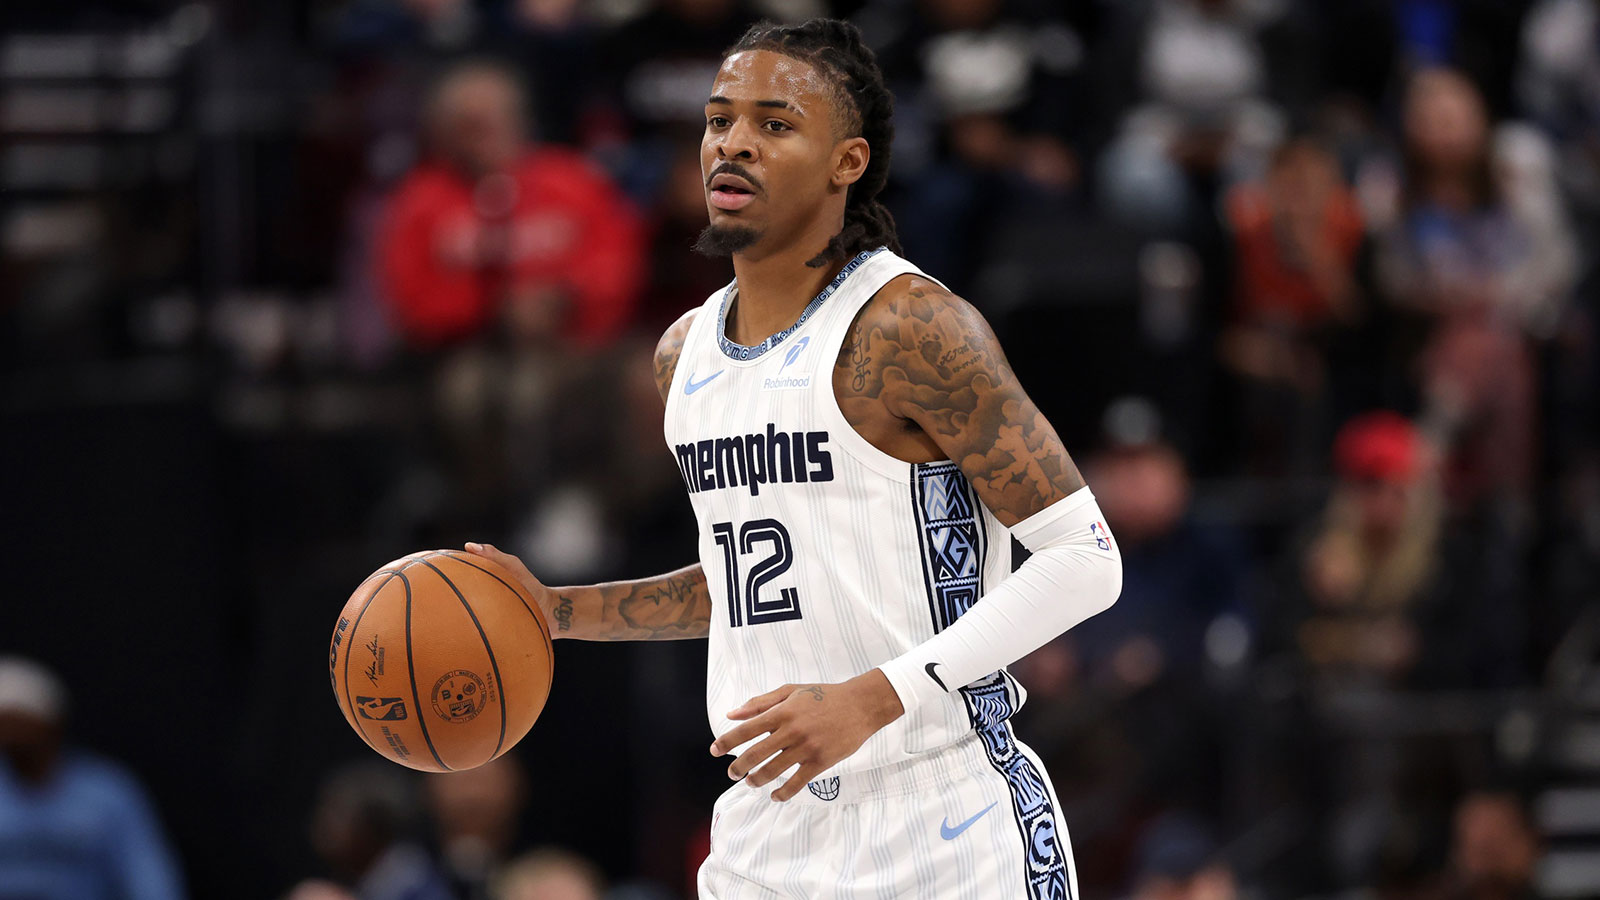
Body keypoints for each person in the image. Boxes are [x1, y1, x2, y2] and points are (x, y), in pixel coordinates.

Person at [467, 18, 1123, 898]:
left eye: (774, 125)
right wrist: (555, 611)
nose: (733, 144)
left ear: (847, 162)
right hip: (767, 832)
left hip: (941, 818)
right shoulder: (683, 355)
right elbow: (751, 585)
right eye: (718, 120)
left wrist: (874, 697)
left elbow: (1087, 560)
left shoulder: (907, 327)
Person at [0, 656, 187, 900]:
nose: (9, 729)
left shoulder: (106, 792)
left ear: (50, 719)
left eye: (17, 715)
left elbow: (149, 879)